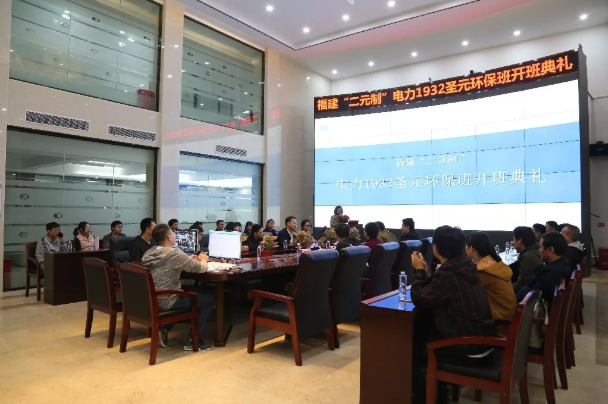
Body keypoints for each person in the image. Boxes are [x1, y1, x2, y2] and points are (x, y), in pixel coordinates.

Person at [410, 225, 495, 404]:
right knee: (422, 330)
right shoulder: (467, 266)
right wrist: (426, 274)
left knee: (413, 348)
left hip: (469, 348)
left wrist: (418, 271)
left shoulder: (449, 274)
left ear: (435, 248)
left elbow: (419, 298)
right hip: (485, 340)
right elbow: (437, 290)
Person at [141, 224, 214, 351]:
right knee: (207, 300)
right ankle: (193, 340)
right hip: (167, 300)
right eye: (173, 234)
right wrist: (203, 259)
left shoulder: (150, 252)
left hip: (150, 299)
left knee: (184, 293)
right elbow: (200, 268)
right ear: (169, 238)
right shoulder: (174, 254)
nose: (174, 236)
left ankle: (164, 328)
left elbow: (170, 262)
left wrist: (187, 259)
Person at [465, 232, 517, 321]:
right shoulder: (495, 263)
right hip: (508, 314)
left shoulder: (483, 270)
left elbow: (467, 291)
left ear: (471, 248)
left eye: (466, 246)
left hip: (500, 321)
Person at [516, 232, 572, 303]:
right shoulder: (563, 263)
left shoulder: (549, 272)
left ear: (550, 250)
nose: (539, 250)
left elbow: (531, 295)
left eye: (540, 246)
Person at [512, 226, 544, 293]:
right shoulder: (537, 250)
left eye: (514, 239)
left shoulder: (528, 257)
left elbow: (521, 284)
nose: (513, 242)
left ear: (519, 240)